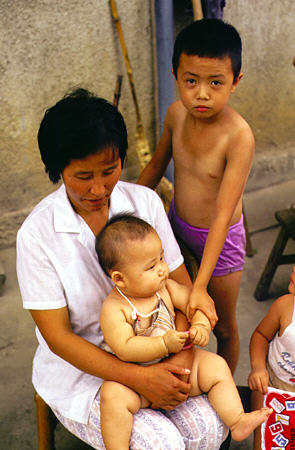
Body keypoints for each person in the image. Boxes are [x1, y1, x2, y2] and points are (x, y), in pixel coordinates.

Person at [16, 88, 229, 449]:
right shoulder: (38, 234)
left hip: (163, 354)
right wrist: (140, 378)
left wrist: (179, 360)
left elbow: (179, 289)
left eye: (109, 170)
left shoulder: (144, 202)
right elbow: (59, 337)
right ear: (58, 169)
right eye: (83, 176)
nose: (99, 188)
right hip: (87, 374)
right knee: (160, 444)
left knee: (210, 428)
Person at [137, 18, 255, 374]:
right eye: (191, 81)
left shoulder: (238, 136)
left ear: (235, 82)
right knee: (179, 318)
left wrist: (199, 286)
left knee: (221, 325)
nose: (201, 94)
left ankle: (223, 396)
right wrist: (126, 211)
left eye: (215, 82)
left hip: (220, 242)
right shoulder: (175, 115)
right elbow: (155, 170)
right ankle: (189, 379)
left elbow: (222, 215)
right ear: (176, 75)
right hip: (177, 228)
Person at [96, 214, 272, 450]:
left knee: (217, 366)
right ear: (120, 279)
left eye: (161, 259)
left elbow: (193, 303)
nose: (161, 270)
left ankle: (237, 420)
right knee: (112, 396)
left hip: (178, 370)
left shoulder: (166, 287)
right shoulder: (115, 308)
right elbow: (125, 348)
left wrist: (199, 324)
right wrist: (164, 345)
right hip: (137, 379)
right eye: (151, 266)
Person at [248, 292, 295, 449]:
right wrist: (258, 367)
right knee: (264, 438)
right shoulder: (286, 306)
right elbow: (261, 335)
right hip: (271, 383)